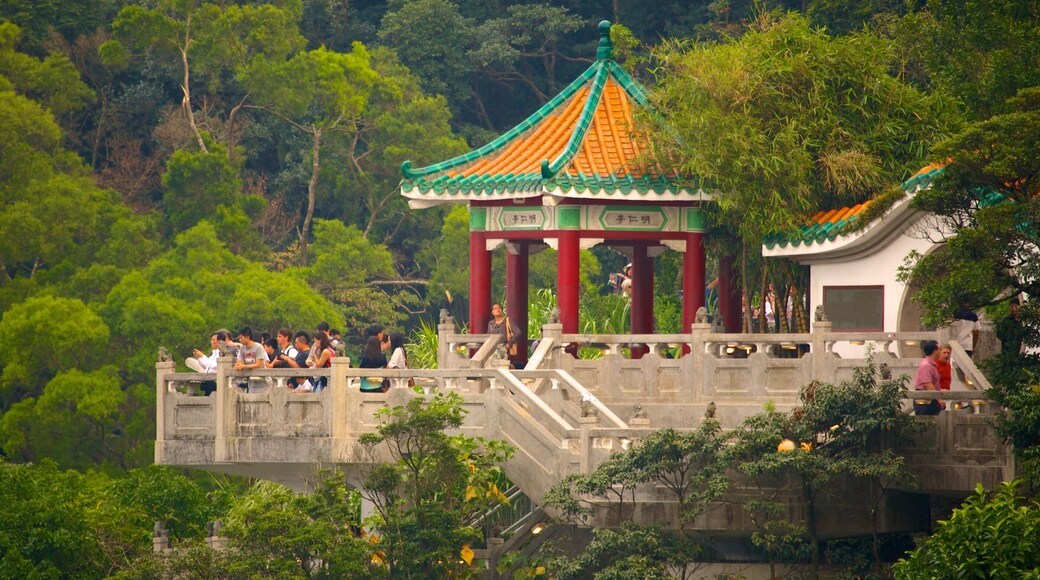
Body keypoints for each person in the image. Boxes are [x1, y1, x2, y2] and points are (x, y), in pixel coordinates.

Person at [913, 340, 945, 416]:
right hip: (925, 400)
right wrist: (939, 400)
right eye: (939, 349)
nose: (941, 352)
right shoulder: (926, 365)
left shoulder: (932, 365)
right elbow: (928, 384)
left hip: (931, 399)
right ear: (935, 351)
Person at [488, 302, 523, 368]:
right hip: (493, 350)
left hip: (504, 349)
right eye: (495, 308)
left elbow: (518, 332)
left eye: (499, 308)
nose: (497, 309)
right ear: (492, 312)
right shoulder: (491, 323)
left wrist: (509, 344)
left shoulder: (507, 320)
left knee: (503, 366)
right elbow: (488, 336)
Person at [234, 327, 269, 392]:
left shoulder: (258, 347)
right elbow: (239, 362)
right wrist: (238, 366)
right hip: (251, 382)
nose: (239, 340)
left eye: (241, 338)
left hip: (262, 381)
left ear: (247, 337)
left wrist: (243, 366)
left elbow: (258, 364)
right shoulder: (242, 348)